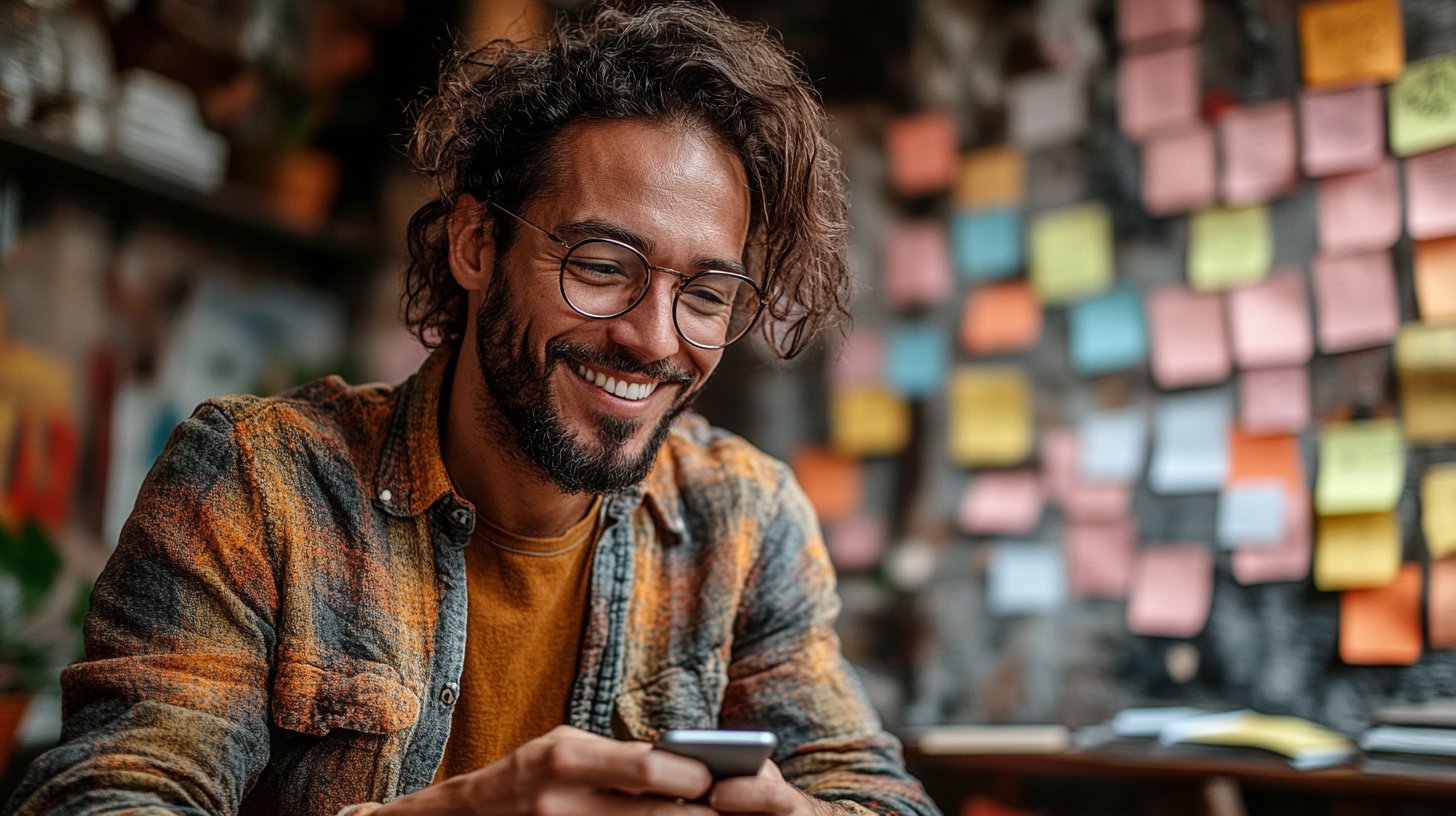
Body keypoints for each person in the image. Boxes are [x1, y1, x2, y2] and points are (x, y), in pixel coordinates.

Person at [4, 3, 940, 815]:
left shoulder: (743, 520)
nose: (655, 339)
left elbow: (881, 795)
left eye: (705, 294)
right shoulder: (260, 484)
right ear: (476, 244)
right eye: (602, 266)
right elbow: (109, 796)